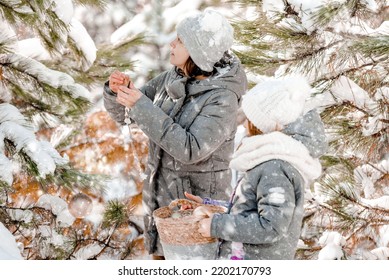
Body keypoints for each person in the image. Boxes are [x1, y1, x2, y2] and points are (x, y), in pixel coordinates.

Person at [103, 9, 248, 258]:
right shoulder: (174, 77)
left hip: (197, 213)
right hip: (163, 206)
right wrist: (119, 94)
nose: (172, 43)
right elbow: (128, 115)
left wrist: (140, 105)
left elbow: (190, 149)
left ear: (198, 51)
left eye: (180, 40)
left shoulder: (222, 97)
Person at [188, 75, 326, 260]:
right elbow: (252, 209)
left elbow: (271, 226)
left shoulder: (275, 169)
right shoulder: (269, 162)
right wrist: (212, 208)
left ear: (267, 125)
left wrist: (217, 226)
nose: (244, 124)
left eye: (250, 119)